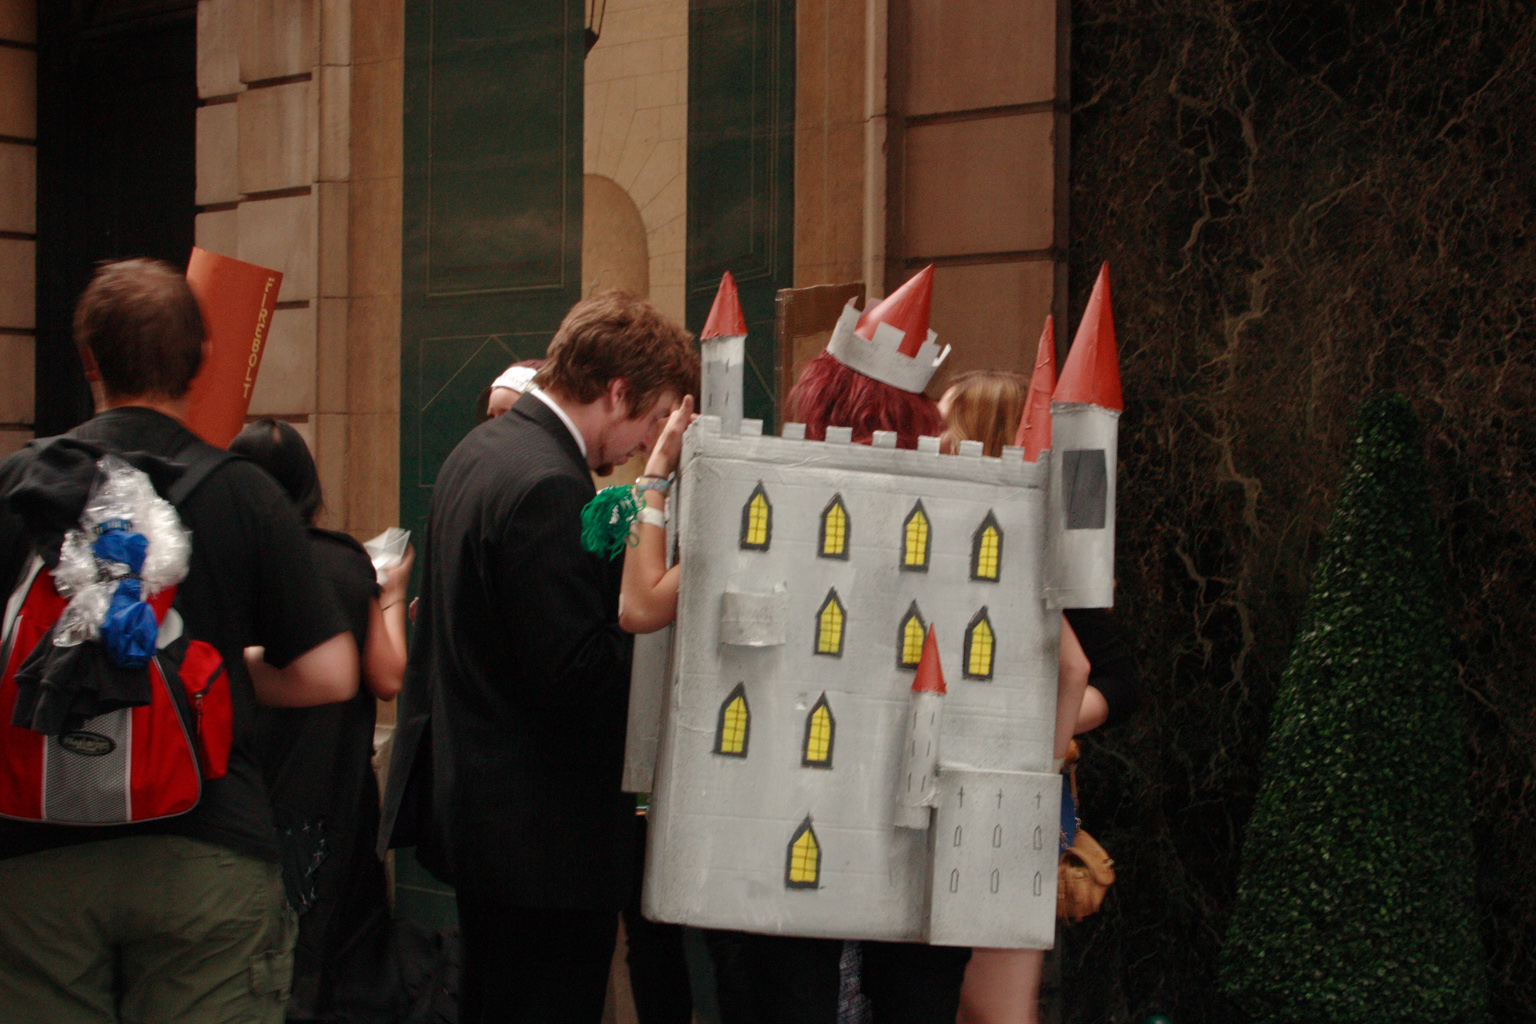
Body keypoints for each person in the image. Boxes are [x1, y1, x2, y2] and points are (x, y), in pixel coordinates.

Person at [0, 258, 357, 1024]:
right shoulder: (246, 493)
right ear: (199, 363)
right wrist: (227, 671)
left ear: (88, 360)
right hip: (207, 849)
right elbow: (331, 675)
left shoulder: (17, 486)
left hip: (32, 852)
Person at [381, 290, 699, 1024]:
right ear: (617, 391)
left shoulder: (481, 451)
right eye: (650, 423)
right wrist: (652, 612)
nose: (641, 448)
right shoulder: (547, 484)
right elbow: (574, 674)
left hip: (489, 830)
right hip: (545, 846)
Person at [938, 370, 1141, 1024]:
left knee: (993, 1006)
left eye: (945, 423)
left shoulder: (1048, 552)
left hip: (1003, 808)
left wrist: (1037, 738)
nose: (931, 435)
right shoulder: (952, 537)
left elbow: (1105, 675)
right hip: (976, 799)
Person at [229, 418, 412, 1023]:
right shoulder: (341, 561)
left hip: (244, 789)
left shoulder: (223, 562)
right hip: (334, 788)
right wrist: (391, 598)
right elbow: (388, 677)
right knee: (339, 946)